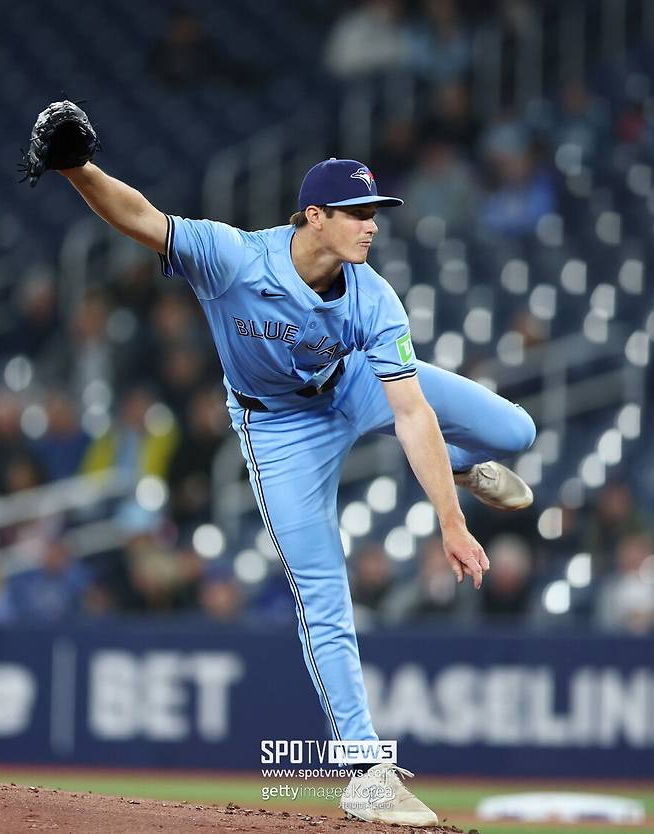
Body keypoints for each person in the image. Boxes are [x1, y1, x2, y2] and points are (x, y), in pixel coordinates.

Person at [53, 148, 536, 826]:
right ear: (315, 216)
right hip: (278, 427)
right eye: (359, 214)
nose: (372, 226)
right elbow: (143, 219)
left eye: (375, 214)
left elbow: (410, 412)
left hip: (352, 384)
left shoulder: (373, 296)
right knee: (321, 589)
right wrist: (79, 169)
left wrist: (451, 520)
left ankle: (456, 464)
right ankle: (367, 773)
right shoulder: (235, 257)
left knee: (516, 431)